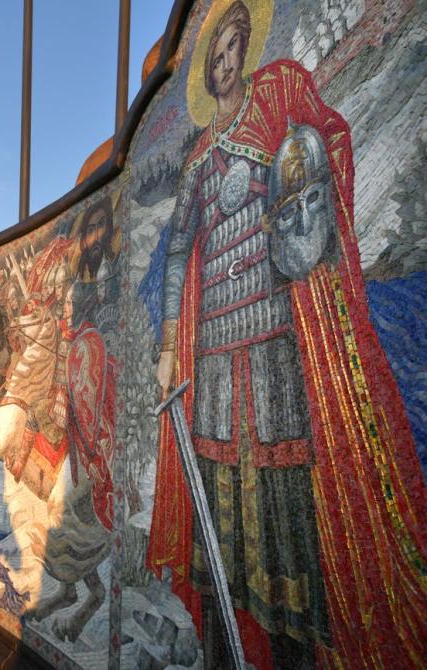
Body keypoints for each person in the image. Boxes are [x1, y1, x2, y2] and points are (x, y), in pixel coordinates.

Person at [148, 2, 427, 667]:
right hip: (213, 347)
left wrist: (287, 174)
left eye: (229, 51)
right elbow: (178, 249)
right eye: (211, 58)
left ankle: (291, 652)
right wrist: (165, 344)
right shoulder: (194, 160)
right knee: (218, 502)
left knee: (282, 499)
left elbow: (320, 148)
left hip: (274, 334)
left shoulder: (276, 97)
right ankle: (224, 646)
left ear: (244, 53)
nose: (220, 66)